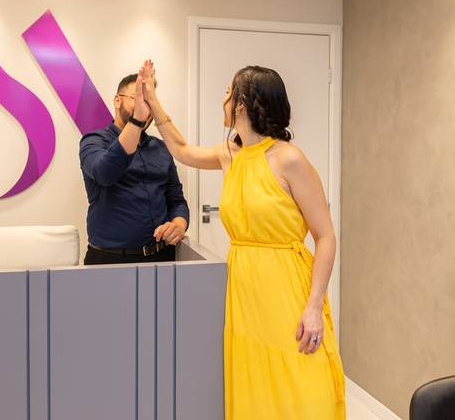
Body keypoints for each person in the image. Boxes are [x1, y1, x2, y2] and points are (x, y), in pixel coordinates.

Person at [137, 60, 345, 419]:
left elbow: (325, 236)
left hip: (285, 287)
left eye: (228, 93)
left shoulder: (289, 159)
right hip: (244, 288)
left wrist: (313, 306)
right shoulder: (230, 154)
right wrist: (152, 100)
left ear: (242, 105)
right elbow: (181, 149)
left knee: (296, 376)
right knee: (255, 377)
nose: (223, 100)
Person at [79, 73, 189, 265]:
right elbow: (104, 173)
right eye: (137, 99)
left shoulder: (161, 148)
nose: (144, 108)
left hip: (162, 257)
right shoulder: (93, 142)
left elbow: (176, 199)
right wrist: (136, 122)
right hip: (109, 260)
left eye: (149, 101)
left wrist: (179, 224)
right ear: (117, 100)